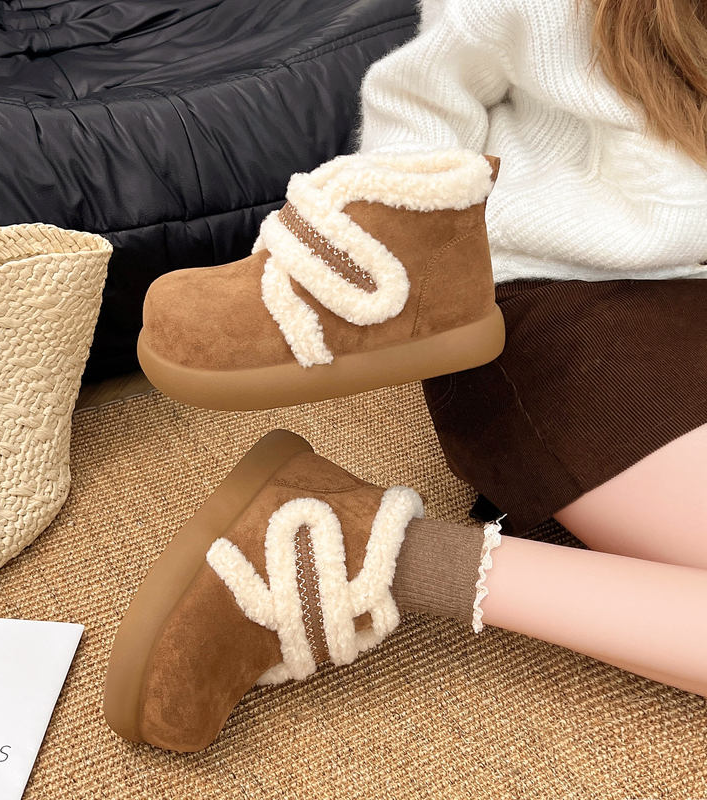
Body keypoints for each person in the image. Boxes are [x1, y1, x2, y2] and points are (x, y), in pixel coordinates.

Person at [104, 0, 707, 751]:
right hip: (566, 304)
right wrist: (385, 245)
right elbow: (426, 98)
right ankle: (380, 554)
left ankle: (359, 545)